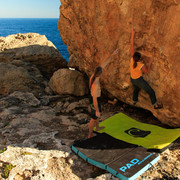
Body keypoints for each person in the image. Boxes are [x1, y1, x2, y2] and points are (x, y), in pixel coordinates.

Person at [88, 49, 119, 138]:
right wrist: (97, 110)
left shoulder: (93, 75)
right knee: (93, 118)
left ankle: (97, 128)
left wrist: (112, 54)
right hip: (95, 101)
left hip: (96, 98)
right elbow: (94, 99)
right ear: (100, 74)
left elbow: (104, 64)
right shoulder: (96, 84)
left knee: (96, 117)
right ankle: (90, 134)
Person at [130, 28, 162, 109]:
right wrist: (150, 63)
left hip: (132, 79)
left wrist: (133, 34)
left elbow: (131, 45)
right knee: (151, 91)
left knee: (136, 89)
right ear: (139, 58)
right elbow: (147, 72)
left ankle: (134, 100)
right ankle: (155, 105)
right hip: (138, 80)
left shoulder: (132, 59)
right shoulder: (140, 65)